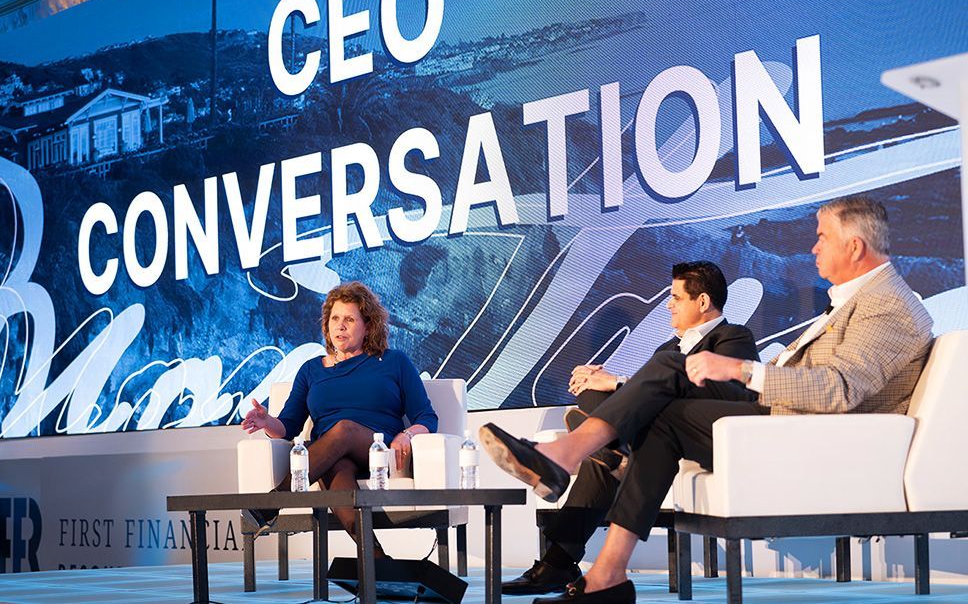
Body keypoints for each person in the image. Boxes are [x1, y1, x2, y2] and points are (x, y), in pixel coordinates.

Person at [481, 196, 934, 603]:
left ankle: (568, 459)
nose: (814, 248)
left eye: (822, 238)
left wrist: (741, 369)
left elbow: (839, 389)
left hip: (814, 439)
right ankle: (607, 574)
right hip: (790, 425)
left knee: (675, 372)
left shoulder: (887, 305)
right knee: (665, 408)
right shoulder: (861, 302)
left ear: (854, 247)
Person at [502, 261, 759, 595]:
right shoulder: (666, 350)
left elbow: (730, 393)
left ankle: (602, 458)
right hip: (657, 432)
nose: (668, 305)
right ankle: (563, 551)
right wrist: (604, 382)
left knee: (609, 440)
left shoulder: (733, 336)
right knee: (599, 415)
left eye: (676, 297)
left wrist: (620, 382)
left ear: (703, 302)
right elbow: (643, 398)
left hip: (704, 432)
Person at [241, 281, 438, 557]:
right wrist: (267, 421)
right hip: (328, 458)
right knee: (337, 462)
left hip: (379, 454)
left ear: (368, 326)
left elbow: (426, 416)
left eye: (349, 319)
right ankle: (378, 561)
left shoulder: (394, 362)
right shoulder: (311, 370)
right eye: (335, 318)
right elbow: (289, 426)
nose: (340, 326)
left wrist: (408, 435)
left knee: (342, 430)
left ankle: (274, 501)